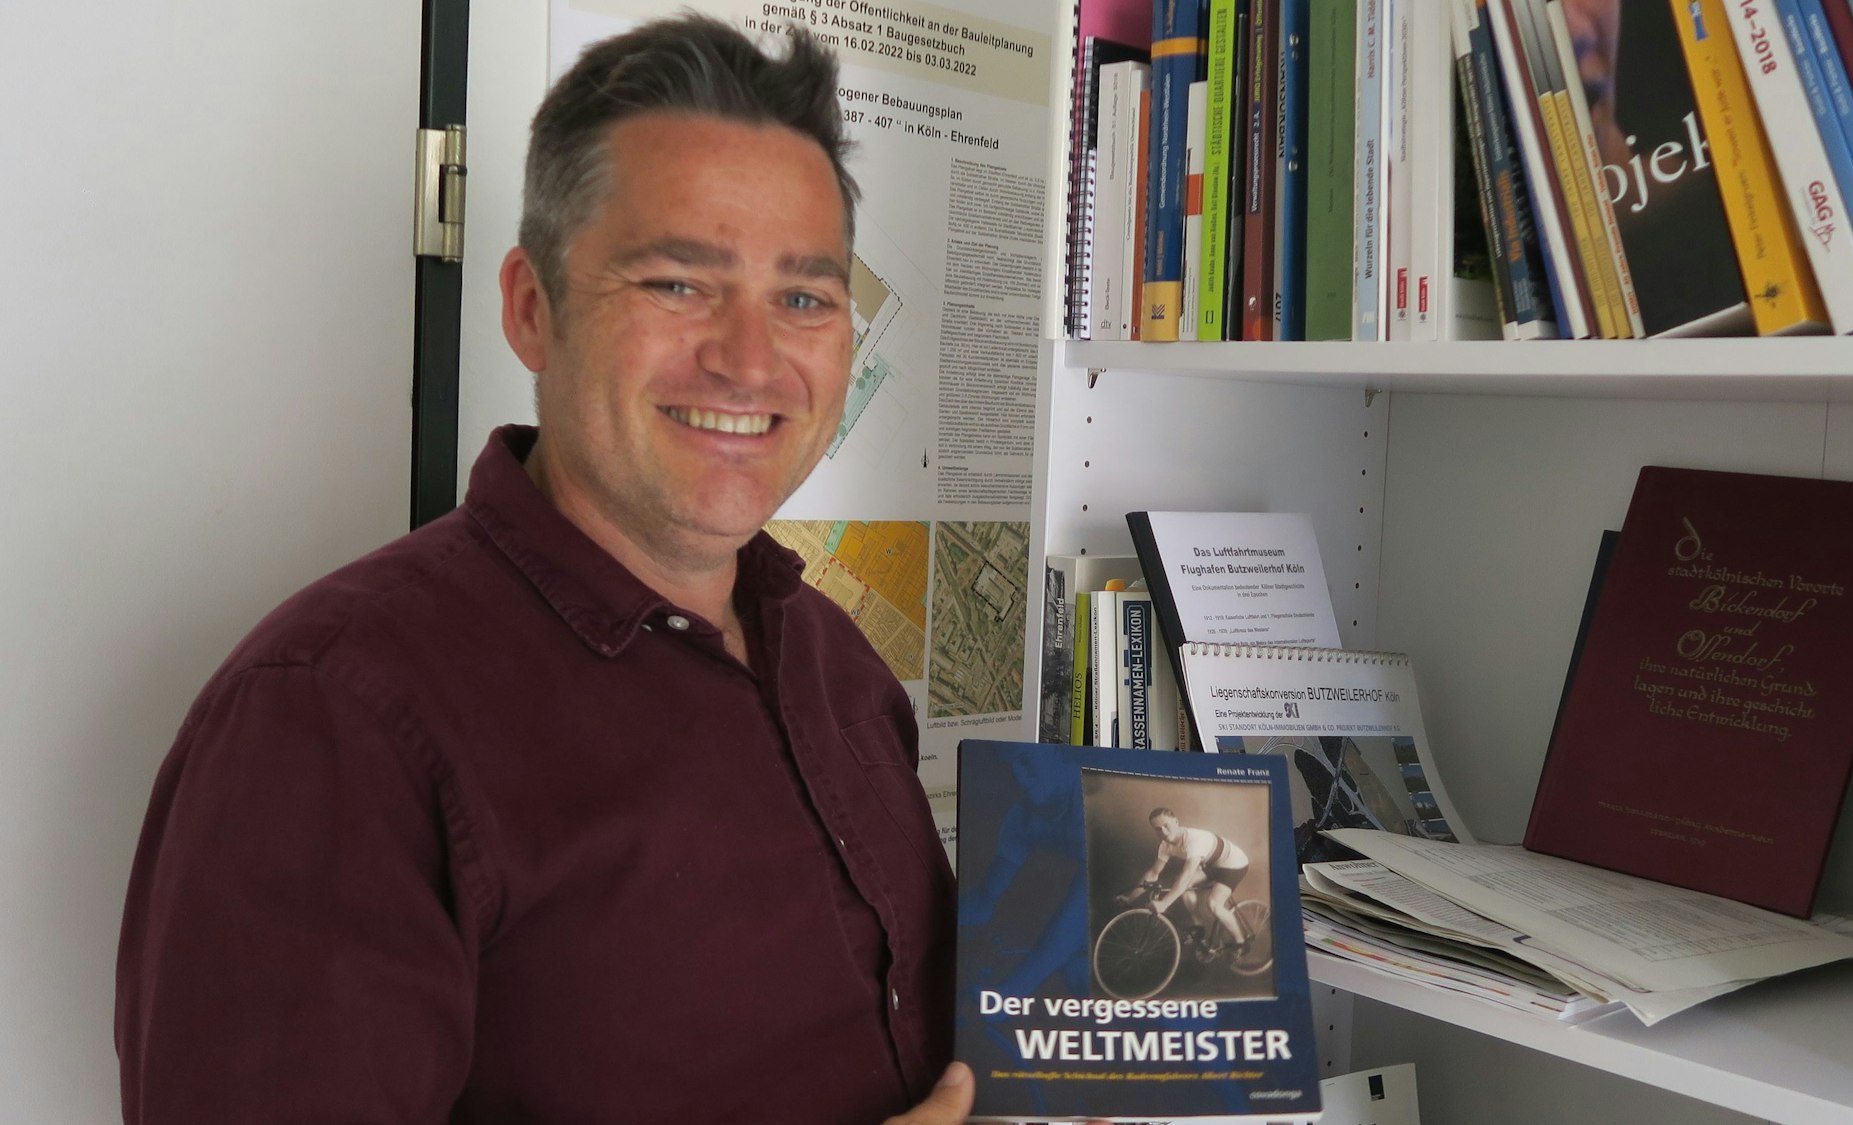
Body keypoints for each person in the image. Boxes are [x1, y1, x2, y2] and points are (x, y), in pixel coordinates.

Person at [115, 16, 974, 1124]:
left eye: (804, 298)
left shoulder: (836, 662)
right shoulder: (329, 716)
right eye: (678, 283)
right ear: (533, 309)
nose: (750, 360)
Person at [1120, 807, 1253, 959]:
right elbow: (1153, 874)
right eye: (1158, 829)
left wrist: (1164, 904)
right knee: (1184, 885)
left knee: (1213, 904)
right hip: (1212, 864)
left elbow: (1187, 875)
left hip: (1234, 864)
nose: (1163, 831)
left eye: (1166, 825)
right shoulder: (1165, 846)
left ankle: (1241, 943)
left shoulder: (1193, 840)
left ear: (1176, 822)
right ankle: (1199, 927)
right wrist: (1130, 898)